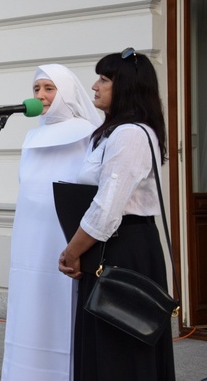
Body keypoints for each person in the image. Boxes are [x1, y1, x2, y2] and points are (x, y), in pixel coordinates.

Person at [58, 48, 176, 380]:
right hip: (113, 245)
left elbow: (107, 208)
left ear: (126, 87)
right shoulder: (116, 131)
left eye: (104, 79)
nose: (95, 86)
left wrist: (72, 251)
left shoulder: (129, 135)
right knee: (112, 346)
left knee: (118, 350)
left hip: (121, 248)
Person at [1, 64, 102, 380]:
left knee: (62, 313)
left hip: (65, 240)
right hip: (29, 242)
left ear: (67, 92)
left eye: (49, 88)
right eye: (36, 89)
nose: (41, 96)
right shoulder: (32, 135)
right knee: (28, 313)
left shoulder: (88, 133)